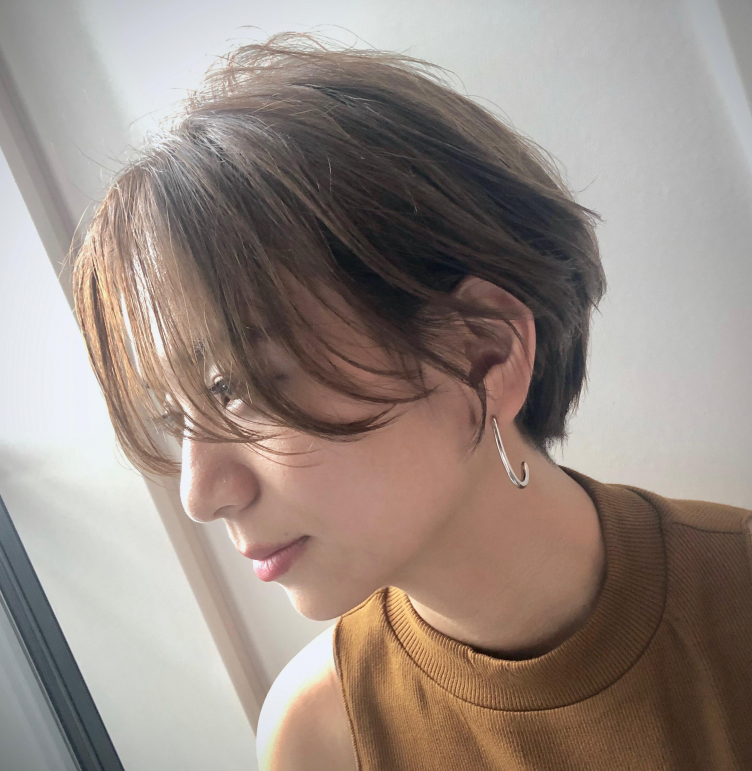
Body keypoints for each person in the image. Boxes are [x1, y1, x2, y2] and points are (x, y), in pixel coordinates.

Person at [71, 31, 752, 771]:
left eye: (232, 389)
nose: (200, 494)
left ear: (482, 351)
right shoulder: (320, 735)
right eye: (174, 418)